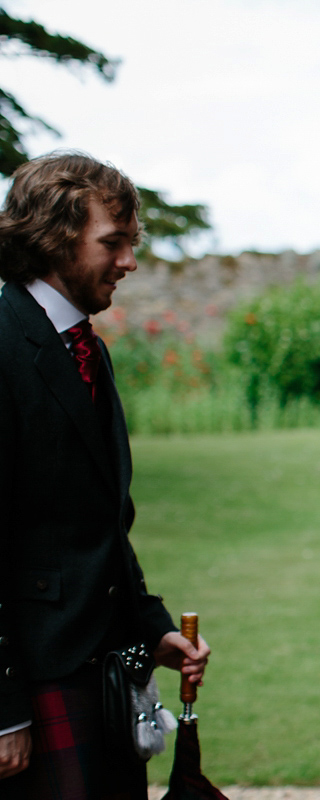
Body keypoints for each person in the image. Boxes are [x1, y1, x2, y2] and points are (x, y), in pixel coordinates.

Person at [0, 151, 210, 795]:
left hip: (109, 664)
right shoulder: (3, 345)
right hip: (35, 675)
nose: (129, 262)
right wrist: (3, 709)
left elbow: (99, 525)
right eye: (112, 243)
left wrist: (153, 627)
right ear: (53, 238)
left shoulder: (87, 349)